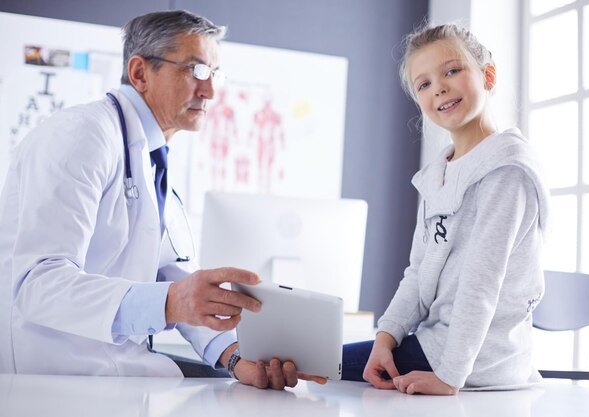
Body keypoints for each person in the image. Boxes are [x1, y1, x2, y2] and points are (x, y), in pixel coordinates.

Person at [0, 10, 319, 389]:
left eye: (215, 74)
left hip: (123, 378)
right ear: (139, 73)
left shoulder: (153, 158)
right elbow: (38, 284)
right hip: (59, 381)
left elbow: (177, 278)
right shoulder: (82, 135)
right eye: (196, 71)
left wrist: (235, 357)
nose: (211, 91)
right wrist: (170, 301)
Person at [341, 23, 550, 395]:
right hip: (432, 345)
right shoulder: (437, 175)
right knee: (311, 361)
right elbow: (418, 273)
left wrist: (450, 377)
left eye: (451, 71)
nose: (438, 87)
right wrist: (385, 338)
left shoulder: (505, 169)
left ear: (487, 76)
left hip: (474, 361)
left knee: (314, 363)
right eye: (423, 84)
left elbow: (481, 283)